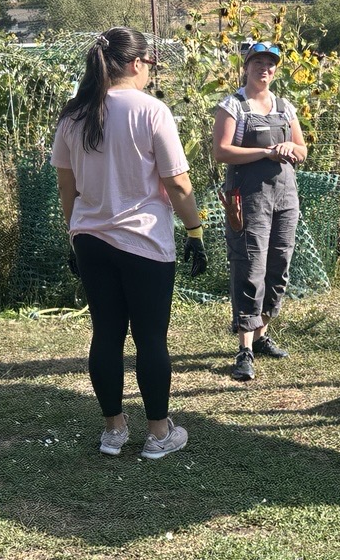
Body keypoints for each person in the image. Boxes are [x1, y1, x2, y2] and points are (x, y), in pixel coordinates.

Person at [52, 27, 206, 460]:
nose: (150, 72)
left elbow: (67, 186)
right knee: (151, 338)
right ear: (137, 63)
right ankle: (159, 433)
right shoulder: (152, 111)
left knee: (106, 334)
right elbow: (177, 183)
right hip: (143, 241)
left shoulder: (73, 115)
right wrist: (194, 231)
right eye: (149, 64)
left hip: (90, 238)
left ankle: (113, 431)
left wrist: (73, 235)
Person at [212, 39, 307, 381]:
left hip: (285, 197)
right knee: (249, 267)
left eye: (270, 64)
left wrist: (290, 148)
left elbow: (303, 149)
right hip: (248, 198)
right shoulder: (233, 105)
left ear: (275, 69)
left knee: (278, 266)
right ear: (247, 66)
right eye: (258, 63)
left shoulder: (285, 106)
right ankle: (245, 347)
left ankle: (262, 333)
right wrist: (266, 152)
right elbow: (221, 151)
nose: (264, 69)